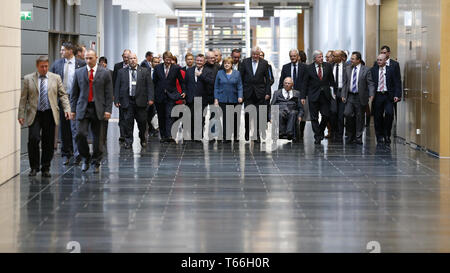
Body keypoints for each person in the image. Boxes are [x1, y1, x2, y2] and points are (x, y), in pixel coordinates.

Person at [18, 56, 72, 177]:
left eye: (46, 66)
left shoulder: (55, 78)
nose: (44, 68)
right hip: (35, 114)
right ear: (37, 66)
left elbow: (63, 95)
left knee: (48, 142)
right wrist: (21, 115)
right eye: (42, 66)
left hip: (49, 113)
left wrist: (67, 109)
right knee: (33, 139)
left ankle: (45, 167)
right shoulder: (28, 79)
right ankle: (34, 167)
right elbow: (23, 99)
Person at [71, 50, 113, 173]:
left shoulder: (105, 73)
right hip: (83, 108)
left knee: (98, 138)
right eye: (86, 58)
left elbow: (109, 94)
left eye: (90, 58)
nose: (88, 61)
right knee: (80, 134)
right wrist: (72, 110)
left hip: (98, 108)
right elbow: (74, 94)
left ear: (96, 58)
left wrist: (108, 110)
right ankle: (85, 158)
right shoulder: (78, 73)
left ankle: (96, 161)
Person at [50, 42, 86, 166]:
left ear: (70, 50)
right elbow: (51, 81)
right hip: (62, 100)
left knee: (75, 128)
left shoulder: (81, 64)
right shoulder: (57, 64)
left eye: (63, 50)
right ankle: (66, 154)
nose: (61, 52)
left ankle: (77, 154)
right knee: (64, 128)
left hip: (75, 100)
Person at [114, 53, 154, 149]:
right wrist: (116, 99)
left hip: (141, 101)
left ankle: (143, 139)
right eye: (130, 58)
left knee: (142, 123)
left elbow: (150, 86)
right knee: (128, 122)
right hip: (127, 101)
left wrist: (151, 98)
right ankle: (128, 141)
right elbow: (117, 86)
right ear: (128, 60)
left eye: (134, 58)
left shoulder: (144, 71)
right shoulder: (121, 72)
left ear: (137, 59)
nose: (132, 60)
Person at [301, 50, 336, 144]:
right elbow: (305, 83)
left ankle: (320, 131)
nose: (322, 58)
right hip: (313, 95)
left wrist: (334, 92)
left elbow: (331, 80)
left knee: (326, 115)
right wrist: (303, 97)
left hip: (325, 95)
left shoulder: (327, 66)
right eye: (319, 57)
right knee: (314, 117)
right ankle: (317, 136)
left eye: (322, 56)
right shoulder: (309, 68)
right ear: (315, 58)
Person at [341, 51, 375, 144]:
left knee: (359, 117)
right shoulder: (347, 69)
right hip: (350, 96)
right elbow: (344, 83)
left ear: (358, 60)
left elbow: (370, 83)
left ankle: (358, 137)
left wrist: (371, 94)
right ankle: (349, 135)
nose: (350, 60)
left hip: (361, 96)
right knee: (347, 114)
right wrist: (343, 95)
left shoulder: (366, 70)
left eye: (352, 59)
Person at [153, 51, 186, 143]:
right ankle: (163, 136)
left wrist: (183, 92)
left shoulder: (176, 68)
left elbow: (181, 81)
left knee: (169, 115)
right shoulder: (157, 68)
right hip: (159, 96)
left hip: (171, 95)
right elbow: (154, 82)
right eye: (166, 60)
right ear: (163, 59)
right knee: (161, 116)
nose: (168, 62)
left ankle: (169, 135)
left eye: (170, 60)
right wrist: (153, 95)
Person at [240, 46, 271, 142]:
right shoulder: (245, 62)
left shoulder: (264, 63)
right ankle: (246, 130)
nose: (255, 56)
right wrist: (241, 93)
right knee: (248, 113)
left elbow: (268, 80)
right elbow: (240, 78)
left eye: (257, 54)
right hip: (248, 92)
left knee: (258, 115)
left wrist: (267, 92)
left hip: (260, 93)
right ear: (251, 54)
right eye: (253, 54)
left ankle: (256, 134)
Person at [370, 53, 401, 145]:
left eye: (380, 60)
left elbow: (397, 83)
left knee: (389, 114)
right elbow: (370, 83)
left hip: (388, 96)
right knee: (378, 116)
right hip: (378, 95)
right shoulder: (373, 70)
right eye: (378, 60)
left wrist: (397, 95)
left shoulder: (391, 70)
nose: (378, 62)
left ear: (385, 61)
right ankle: (379, 136)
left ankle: (387, 134)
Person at [278, 49, 307, 138]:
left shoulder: (304, 67)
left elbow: (305, 83)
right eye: (291, 56)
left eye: (294, 56)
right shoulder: (285, 67)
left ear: (298, 57)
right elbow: (281, 81)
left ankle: (300, 133)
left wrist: (303, 96)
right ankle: (288, 131)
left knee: (301, 113)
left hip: (300, 95)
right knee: (289, 112)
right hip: (288, 94)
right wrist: (280, 94)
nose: (292, 58)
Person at [214, 57, 243, 143]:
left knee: (235, 118)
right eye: (225, 63)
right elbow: (216, 87)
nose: (226, 65)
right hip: (223, 99)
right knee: (226, 119)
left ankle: (236, 136)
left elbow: (240, 86)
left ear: (232, 65)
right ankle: (226, 137)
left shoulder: (237, 73)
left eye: (228, 63)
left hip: (235, 99)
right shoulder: (219, 73)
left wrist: (240, 96)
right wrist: (216, 99)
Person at [271, 77, 304, 142]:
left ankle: (289, 133)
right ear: (283, 84)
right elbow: (272, 106)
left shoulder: (297, 93)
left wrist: (300, 116)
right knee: (279, 113)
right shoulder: (277, 93)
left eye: (289, 83)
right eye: (285, 83)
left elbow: (300, 107)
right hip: (281, 110)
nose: (287, 84)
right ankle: (281, 133)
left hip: (292, 111)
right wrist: (270, 117)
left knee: (293, 113)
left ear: (292, 84)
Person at [185, 54, 207, 141]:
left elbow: (210, 82)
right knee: (191, 117)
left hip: (202, 98)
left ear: (204, 61)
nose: (199, 62)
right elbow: (185, 83)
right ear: (195, 60)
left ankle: (198, 136)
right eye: (197, 60)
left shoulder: (206, 71)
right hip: (190, 97)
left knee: (200, 118)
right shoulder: (189, 70)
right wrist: (185, 93)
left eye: (201, 61)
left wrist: (201, 75)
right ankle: (192, 135)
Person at [113, 49, 131, 144]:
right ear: (122, 57)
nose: (126, 59)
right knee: (122, 117)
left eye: (128, 57)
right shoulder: (117, 66)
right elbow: (115, 82)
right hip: (121, 95)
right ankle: (122, 135)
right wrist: (115, 97)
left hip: (131, 96)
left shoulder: (134, 66)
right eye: (125, 57)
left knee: (129, 117)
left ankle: (128, 134)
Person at [330, 50, 348, 142]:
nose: (333, 58)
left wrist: (345, 94)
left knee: (341, 115)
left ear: (341, 57)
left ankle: (340, 134)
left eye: (335, 56)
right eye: (333, 56)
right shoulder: (330, 66)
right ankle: (334, 131)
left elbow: (347, 81)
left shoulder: (347, 66)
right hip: (333, 91)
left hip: (342, 91)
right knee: (333, 113)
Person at [98, 56, 112, 149]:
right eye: (101, 62)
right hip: (98, 99)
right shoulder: (96, 72)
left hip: (106, 98)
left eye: (104, 62)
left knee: (105, 120)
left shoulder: (110, 72)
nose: (102, 64)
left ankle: (104, 138)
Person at [147, 56, 160, 138]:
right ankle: (150, 129)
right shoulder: (146, 71)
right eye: (155, 62)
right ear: (151, 63)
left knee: (156, 113)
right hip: (148, 96)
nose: (157, 64)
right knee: (148, 114)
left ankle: (156, 129)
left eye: (158, 62)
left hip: (157, 96)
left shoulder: (161, 72)